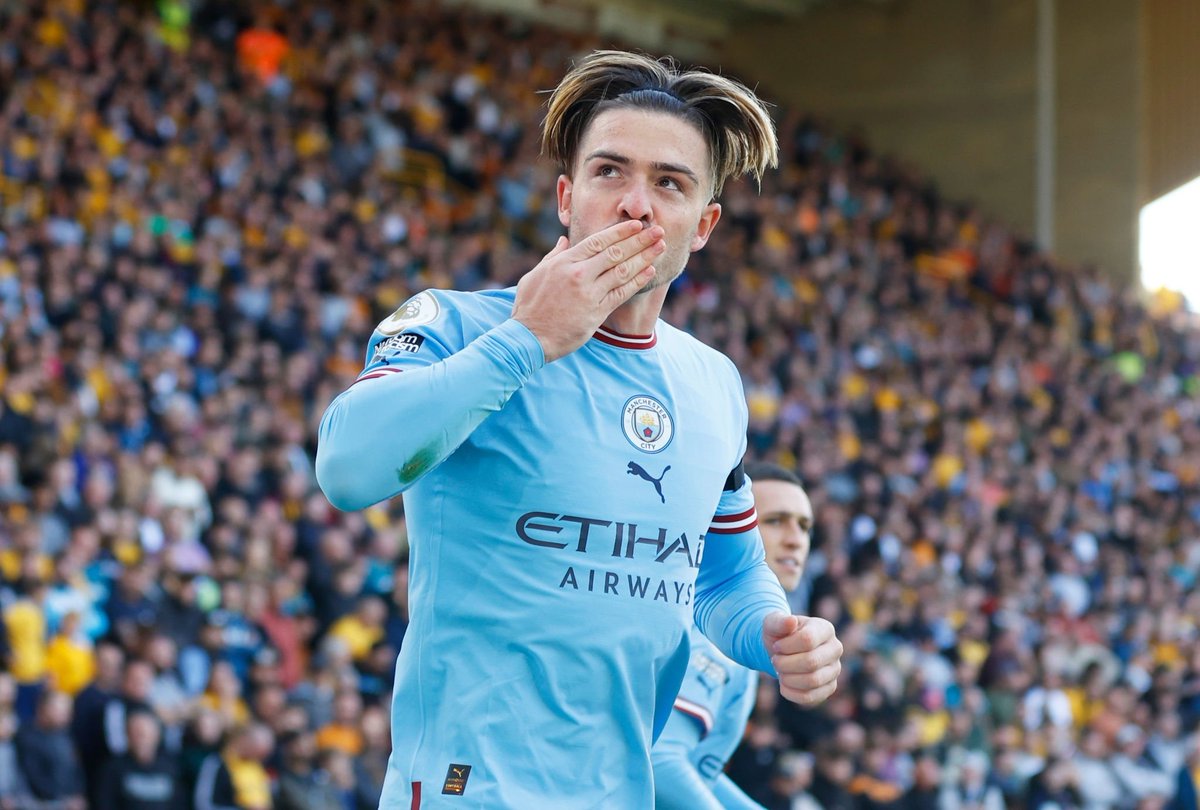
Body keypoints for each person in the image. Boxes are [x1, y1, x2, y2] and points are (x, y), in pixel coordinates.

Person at [316, 49, 843, 808]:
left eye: (670, 183)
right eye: (609, 172)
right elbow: (345, 468)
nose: (636, 204)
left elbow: (725, 574)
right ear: (567, 197)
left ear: (703, 225)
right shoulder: (461, 326)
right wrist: (526, 341)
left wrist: (774, 634)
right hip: (470, 790)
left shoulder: (714, 384)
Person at [653, 462, 814, 809]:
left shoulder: (735, 631)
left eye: (804, 526)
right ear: (729, 529)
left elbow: (699, 771)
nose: (795, 539)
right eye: (775, 521)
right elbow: (658, 761)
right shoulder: (713, 632)